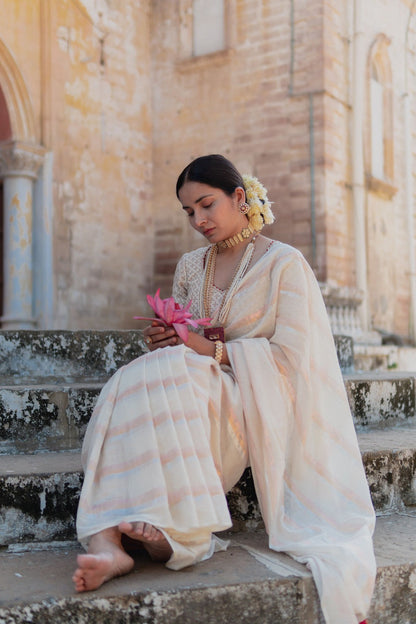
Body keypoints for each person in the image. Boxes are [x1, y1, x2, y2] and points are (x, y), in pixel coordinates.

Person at [73, 154, 376, 624]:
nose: (198, 220)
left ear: (240, 197)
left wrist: (207, 351)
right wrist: (168, 339)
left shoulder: (284, 265)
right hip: (188, 382)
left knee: (184, 376)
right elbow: (185, 339)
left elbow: (295, 362)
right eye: (189, 212)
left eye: (206, 204)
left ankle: (176, 532)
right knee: (129, 378)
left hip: (247, 404)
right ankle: (107, 541)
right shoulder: (192, 267)